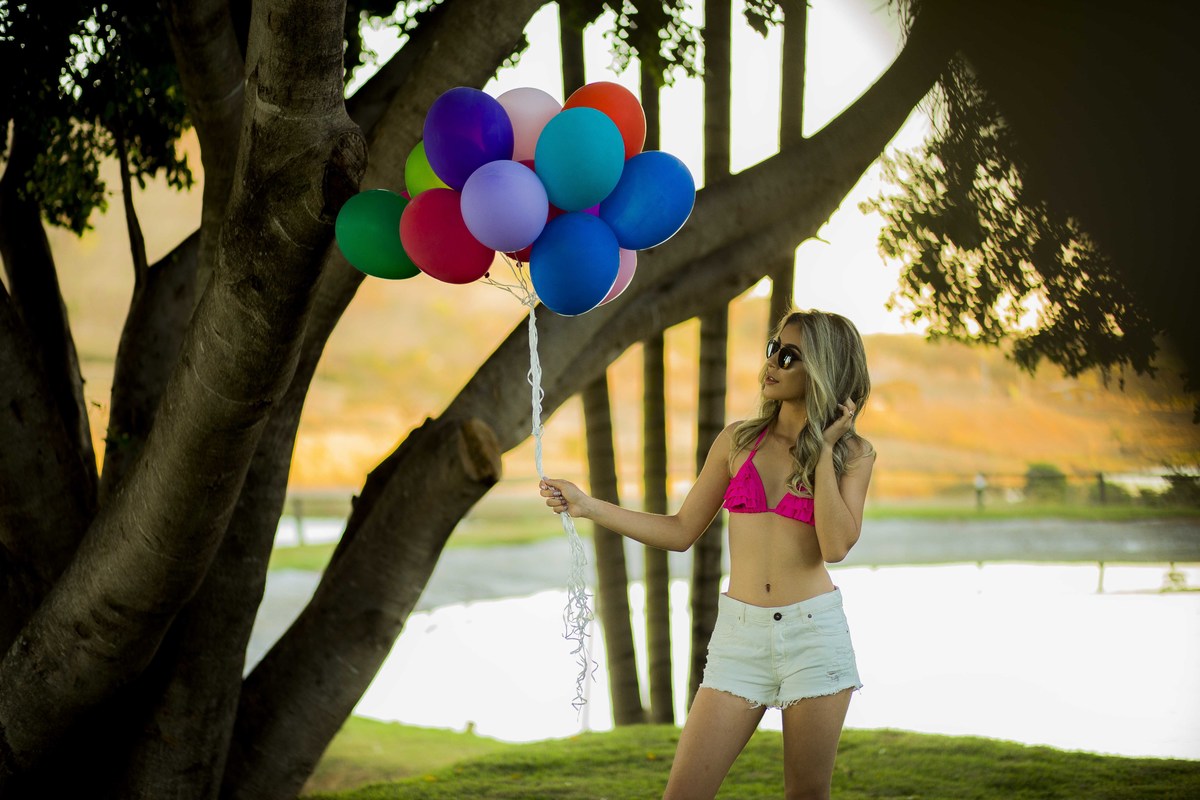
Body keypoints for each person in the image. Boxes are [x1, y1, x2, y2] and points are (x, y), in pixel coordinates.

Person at [540, 309, 875, 800]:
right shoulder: (738, 441)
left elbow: (837, 546)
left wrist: (823, 452)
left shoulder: (853, 454)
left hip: (813, 635)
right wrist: (588, 506)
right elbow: (680, 531)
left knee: (806, 795)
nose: (772, 364)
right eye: (772, 350)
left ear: (824, 370)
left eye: (789, 357)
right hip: (739, 638)